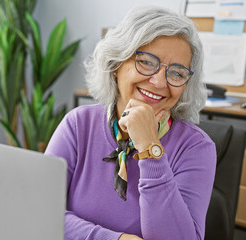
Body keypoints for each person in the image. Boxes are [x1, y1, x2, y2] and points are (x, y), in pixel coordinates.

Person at [45, 5, 216, 240]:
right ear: (116, 65)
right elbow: (40, 211)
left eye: (176, 73)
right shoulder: (77, 125)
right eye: (146, 62)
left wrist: (149, 148)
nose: (158, 82)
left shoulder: (196, 147)